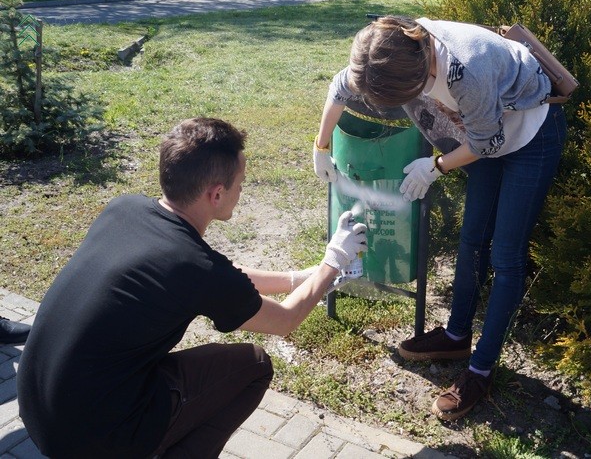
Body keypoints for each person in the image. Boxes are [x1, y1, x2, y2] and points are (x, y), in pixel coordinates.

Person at [17, 118, 367, 458]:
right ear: (216, 193)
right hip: (92, 438)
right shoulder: (193, 267)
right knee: (254, 366)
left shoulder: (126, 209)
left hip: (37, 409)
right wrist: (333, 261)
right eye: (241, 183)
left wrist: (300, 277)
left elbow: (220, 276)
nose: (242, 191)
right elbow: (285, 321)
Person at [313, 16, 567, 421]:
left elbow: (488, 142)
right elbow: (341, 86)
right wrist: (321, 145)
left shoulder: (467, 69)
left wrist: (436, 166)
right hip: (482, 134)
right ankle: (455, 336)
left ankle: (480, 371)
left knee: (505, 256)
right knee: (472, 239)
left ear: (419, 82)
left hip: (531, 133)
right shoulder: (385, 51)